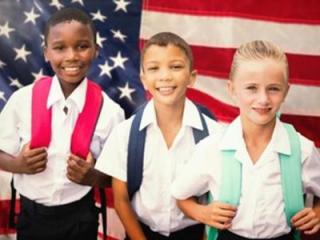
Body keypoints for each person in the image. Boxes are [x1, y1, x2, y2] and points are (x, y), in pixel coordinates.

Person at [171, 40, 320, 240]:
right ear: (232, 90)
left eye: (273, 89)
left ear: (286, 91)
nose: (263, 99)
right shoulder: (212, 148)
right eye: (251, 88)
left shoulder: (303, 150)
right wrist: (202, 213)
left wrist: (317, 213)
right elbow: (181, 195)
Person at [0, 7, 124, 240]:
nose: (71, 57)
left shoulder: (110, 112)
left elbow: (117, 176)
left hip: (79, 218)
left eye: (82, 46)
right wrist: (18, 164)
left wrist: (92, 177)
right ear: (46, 52)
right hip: (31, 217)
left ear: (96, 50)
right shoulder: (22, 100)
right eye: (59, 48)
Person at [90, 32, 221, 240]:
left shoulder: (215, 135)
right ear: (143, 79)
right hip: (141, 233)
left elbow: (217, 197)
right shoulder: (125, 134)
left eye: (175, 67)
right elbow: (121, 200)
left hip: (194, 233)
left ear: (192, 77)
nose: (165, 76)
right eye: (154, 68)